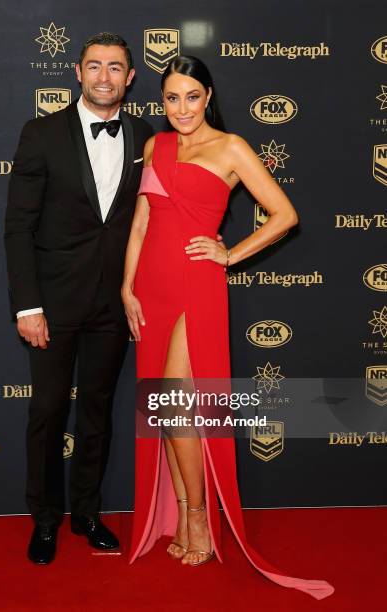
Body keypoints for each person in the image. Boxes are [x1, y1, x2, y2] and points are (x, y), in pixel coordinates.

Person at [122, 55, 334, 599]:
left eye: (192, 96)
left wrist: (230, 254)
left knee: (174, 402)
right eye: (172, 98)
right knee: (161, 408)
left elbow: (285, 214)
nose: (182, 108)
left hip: (197, 287)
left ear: (208, 96)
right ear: (161, 101)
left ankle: (198, 517)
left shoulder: (233, 147)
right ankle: (188, 512)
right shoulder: (155, 146)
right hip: (151, 287)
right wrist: (126, 287)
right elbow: (142, 222)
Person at [4, 32, 153, 565]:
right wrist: (28, 306)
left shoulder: (145, 134)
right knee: (47, 412)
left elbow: (149, 221)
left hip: (113, 304)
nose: (104, 77)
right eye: (95, 66)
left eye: (116, 68)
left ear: (130, 77)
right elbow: (18, 227)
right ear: (77, 71)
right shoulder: (40, 133)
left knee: (97, 412)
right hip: (53, 304)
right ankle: (45, 518)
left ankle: (87, 514)